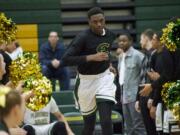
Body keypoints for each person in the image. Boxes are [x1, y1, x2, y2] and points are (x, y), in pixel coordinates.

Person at [61, 7, 117, 135]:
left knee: (106, 121)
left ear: (105, 20)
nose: (99, 24)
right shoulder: (82, 38)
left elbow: (106, 52)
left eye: (101, 21)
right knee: (89, 126)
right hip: (86, 81)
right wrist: (92, 57)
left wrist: (109, 64)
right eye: (95, 21)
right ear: (89, 22)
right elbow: (65, 60)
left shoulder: (110, 35)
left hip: (104, 78)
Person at [139, 32, 174, 134]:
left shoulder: (167, 55)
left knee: (169, 129)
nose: (152, 41)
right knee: (160, 129)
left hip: (167, 96)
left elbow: (165, 78)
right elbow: (156, 80)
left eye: (154, 39)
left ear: (161, 41)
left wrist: (152, 100)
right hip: (158, 96)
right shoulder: (154, 56)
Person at [117, 33, 147, 135]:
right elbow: (122, 78)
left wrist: (140, 97)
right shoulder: (120, 57)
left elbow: (144, 78)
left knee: (139, 126)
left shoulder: (138, 56)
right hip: (124, 96)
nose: (121, 43)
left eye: (124, 40)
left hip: (135, 97)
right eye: (120, 41)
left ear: (130, 41)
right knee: (128, 128)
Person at [135, 29, 158, 135]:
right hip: (143, 95)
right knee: (149, 128)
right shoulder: (144, 56)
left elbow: (157, 79)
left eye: (141, 39)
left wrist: (153, 97)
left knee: (156, 128)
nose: (140, 42)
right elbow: (141, 79)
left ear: (146, 39)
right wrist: (138, 99)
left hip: (152, 95)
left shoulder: (156, 54)